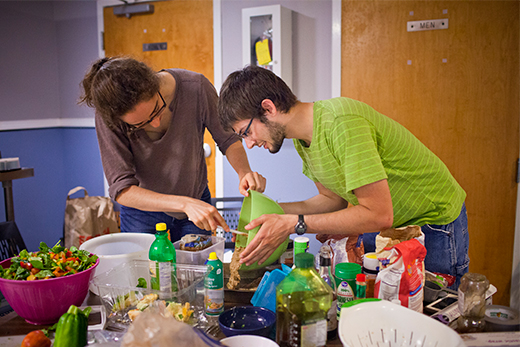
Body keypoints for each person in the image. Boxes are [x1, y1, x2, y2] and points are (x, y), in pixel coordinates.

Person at [218, 65, 469, 288]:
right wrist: (272, 216)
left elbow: (379, 214)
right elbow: (331, 199)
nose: (248, 145)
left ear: (268, 108)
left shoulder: (341, 123)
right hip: (390, 227)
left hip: (432, 224)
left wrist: (294, 224)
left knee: (428, 317)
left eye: (246, 132)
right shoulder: (303, 141)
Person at [79, 57, 266, 241]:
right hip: (142, 210)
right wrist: (184, 204)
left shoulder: (196, 87)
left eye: (157, 109)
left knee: (198, 269)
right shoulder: (109, 117)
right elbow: (122, 189)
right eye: (140, 124)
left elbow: (227, 138)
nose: (156, 123)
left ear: (154, 83)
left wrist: (244, 173)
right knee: (144, 269)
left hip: (194, 197)